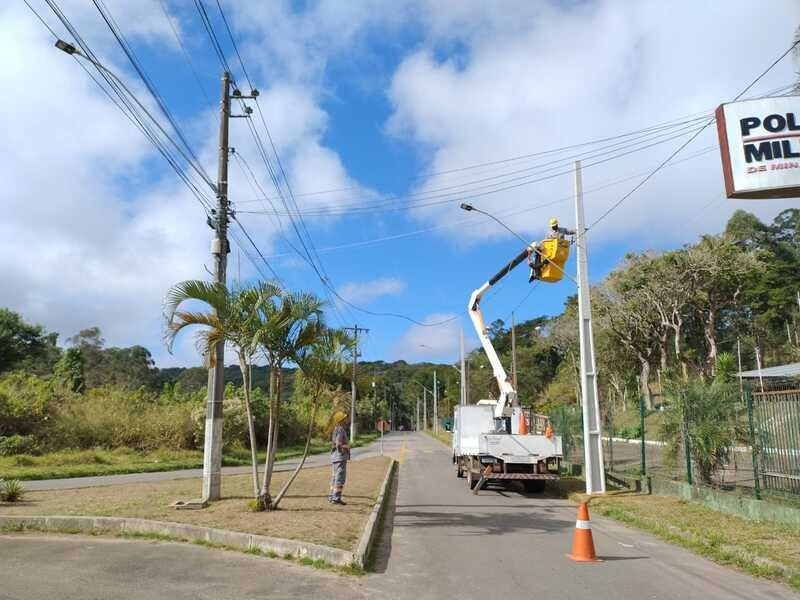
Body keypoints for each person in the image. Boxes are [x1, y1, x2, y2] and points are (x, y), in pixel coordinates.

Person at [528, 217, 576, 282]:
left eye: (555, 226)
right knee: (538, 256)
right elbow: (546, 244)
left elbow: (569, 231)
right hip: (552, 251)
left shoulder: (562, 230)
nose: (554, 227)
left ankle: (537, 273)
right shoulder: (549, 234)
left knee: (559, 261)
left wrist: (578, 230)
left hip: (560, 249)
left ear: (557, 225)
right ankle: (534, 274)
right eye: (553, 226)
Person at [327, 411, 350, 505]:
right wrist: (345, 448)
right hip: (340, 457)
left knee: (334, 477)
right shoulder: (340, 429)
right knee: (340, 477)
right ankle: (336, 498)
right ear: (341, 420)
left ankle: (331, 496)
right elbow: (338, 444)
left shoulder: (336, 429)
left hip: (335, 457)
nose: (346, 419)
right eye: (345, 418)